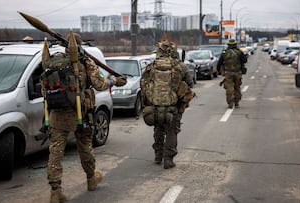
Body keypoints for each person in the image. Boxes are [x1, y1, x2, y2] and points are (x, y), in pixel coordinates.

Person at [41, 33, 126, 203]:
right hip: (81, 113)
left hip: (57, 115)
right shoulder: (85, 62)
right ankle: (91, 179)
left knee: (56, 151)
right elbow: (99, 84)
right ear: (79, 46)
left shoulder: (52, 63)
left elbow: (44, 91)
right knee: (85, 147)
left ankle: (55, 190)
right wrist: (114, 81)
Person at [141, 40, 194, 169]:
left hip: (155, 105)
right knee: (172, 131)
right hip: (173, 106)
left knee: (158, 129)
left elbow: (143, 84)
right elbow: (190, 83)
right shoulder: (180, 66)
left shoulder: (152, 66)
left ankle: (158, 155)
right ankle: (168, 160)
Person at [217, 39, 247, 108]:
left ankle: (230, 103)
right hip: (238, 73)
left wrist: (218, 70)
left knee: (229, 88)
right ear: (235, 44)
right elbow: (245, 60)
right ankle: (236, 102)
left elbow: (219, 63)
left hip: (228, 73)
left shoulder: (224, 52)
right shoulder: (239, 52)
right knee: (237, 87)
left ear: (228, 45)